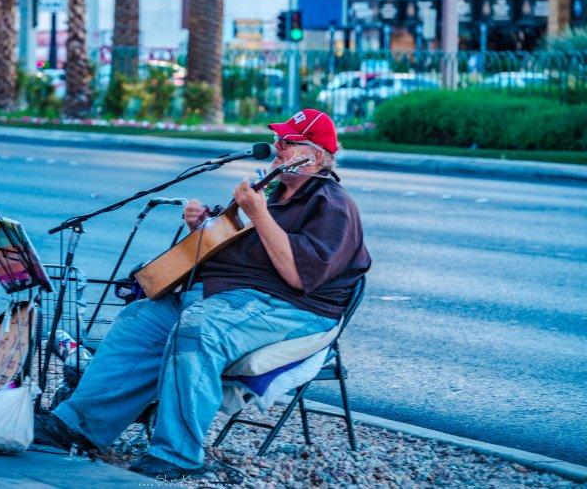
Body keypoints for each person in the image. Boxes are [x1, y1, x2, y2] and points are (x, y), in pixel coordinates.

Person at [34, 108, 371, 479]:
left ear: (317, 156)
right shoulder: (271, 189)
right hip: (227, 294)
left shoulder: (333, 206)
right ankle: (77, 426)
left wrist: (259, 214)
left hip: (289, 307)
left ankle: (177, 455)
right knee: (139, 319)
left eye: (289, 143)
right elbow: (232, 240)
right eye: (278, 140)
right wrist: (205, 224)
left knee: (198, 329)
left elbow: (296, 274)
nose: (277, 148)